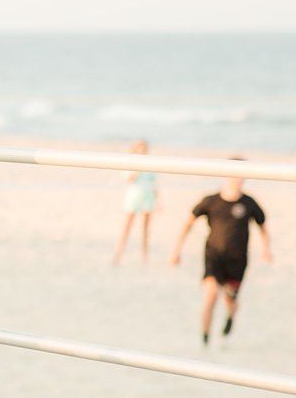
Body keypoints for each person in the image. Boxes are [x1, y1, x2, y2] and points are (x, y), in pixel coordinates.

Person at [169, 159, 273, 346]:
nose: (237, 178)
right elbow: (188, 222)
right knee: (210, 296)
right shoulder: (211, 201)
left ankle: (230, 317)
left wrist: (266, 250)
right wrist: (177, 250)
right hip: (214, 256)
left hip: (237, 260)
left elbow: (262, 227)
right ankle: (205, 337)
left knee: (230, 300)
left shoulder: (248, 203)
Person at [112, 139, 157, 265]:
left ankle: (145, 257)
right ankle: (118, 255)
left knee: (146, 229)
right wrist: (138, 168)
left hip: (148, 197)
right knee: (127, 227)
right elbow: (129, 179)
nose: (142, 152)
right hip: (134, 197)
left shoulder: (151, 165)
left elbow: (154, 184)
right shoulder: (130, 163)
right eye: (140, 150)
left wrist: (158, 200)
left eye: (144, 150)